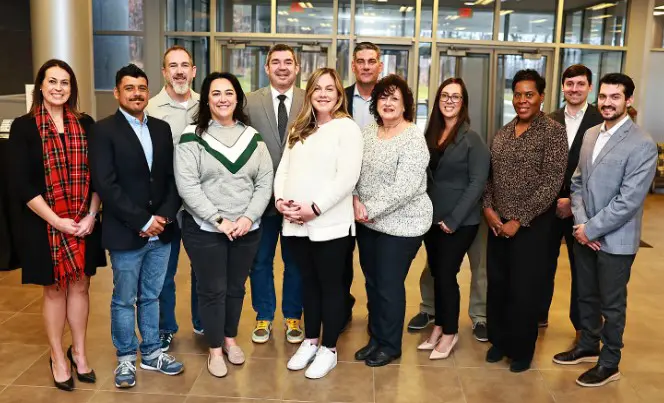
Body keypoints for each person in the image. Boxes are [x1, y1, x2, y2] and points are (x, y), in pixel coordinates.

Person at [553, 73, 657, 388]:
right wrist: (582, 225)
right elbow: (578, 181)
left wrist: (593, 229)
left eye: (615, 97)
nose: (608, 102)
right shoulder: (590, 134)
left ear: (628, 101)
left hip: (615, 241)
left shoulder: (642, 144)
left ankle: (609, 362)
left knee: (612, 304)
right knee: (586, 294)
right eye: (604, 96)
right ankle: (587, 344)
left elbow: (628, 201)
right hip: (586, 233)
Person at [8, 59, 105, 391]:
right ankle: (57, 357)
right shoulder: (24, 127)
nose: (59, 88)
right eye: (52, 81)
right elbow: (21, 185)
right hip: (44, 226)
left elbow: (99, 177)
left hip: (84, 222)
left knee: (80, 286)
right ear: (41, 86)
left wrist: (91, 215)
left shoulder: (87, 124)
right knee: (54, 290)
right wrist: (57, 221)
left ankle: (78, 353)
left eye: (65, 82)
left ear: (72, 88)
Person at [89, 64, 184, 389]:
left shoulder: (161, 128)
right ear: (117, 93)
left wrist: (165, 218)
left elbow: (171, 178)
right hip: (125, 232)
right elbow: (106, 183)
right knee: (123, 298)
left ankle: (153, 352)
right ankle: (126, 358)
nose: (137, 93)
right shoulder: (103, 130)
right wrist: (143, 221)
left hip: (163, 230)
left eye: (142, 87)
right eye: (129, 88)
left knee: (152, 296)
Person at [175, 72, 273, 378]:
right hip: (205, 229)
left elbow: (265, 182)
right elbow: (188, 185)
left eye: (228, 92)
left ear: (237, 98)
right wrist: (219, 220)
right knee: (212, 289)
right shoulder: (192, 137)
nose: (222, 99)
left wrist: (246, 218)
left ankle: (230, 338)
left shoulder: (252, 138)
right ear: (206, 99)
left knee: (235, 288)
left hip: (246, 229)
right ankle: (215, 349)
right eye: (215, 93)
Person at [276, 68, 363, 379]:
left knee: (331, 287)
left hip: (331, 225)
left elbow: (347, 177)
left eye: (330, 88)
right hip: (295, 225)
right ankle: (310, 340)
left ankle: (329, 348)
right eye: (317, 89)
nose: (323, 94)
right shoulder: (300, 127)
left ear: (339, 94)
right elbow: (283, 170)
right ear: (309, 94)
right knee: (307, 284)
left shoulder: (347, 129)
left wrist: (314, 207)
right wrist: (279, 201)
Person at [483, 69, 567, 373]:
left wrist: (519, 219)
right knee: (499, 285)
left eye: (529, 94)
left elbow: (551, 182)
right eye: (517, 94)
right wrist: (489, 210)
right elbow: (490, 176)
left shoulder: (553, 132)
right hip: (497, 225)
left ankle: (521, 349)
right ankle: (500, 341)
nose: (522, 100)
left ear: (541, 97)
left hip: (532, 227)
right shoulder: (503, 132)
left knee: (524, 289)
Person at [353, 74, 432, 367]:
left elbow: (406, 186)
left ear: (405, 105)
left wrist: (368, 207)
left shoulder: (412, 136)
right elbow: (353, 170)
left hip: (403, 224)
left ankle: (390, 344)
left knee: (388, 284)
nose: (388, 103)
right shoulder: (368, 131)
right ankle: (375, 337)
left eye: (395, 98)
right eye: (383, 97)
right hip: (368, 221)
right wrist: (355, 200)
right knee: (372, 283)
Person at [418, 78, 490, 359]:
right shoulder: (431, 133)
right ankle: (439, 327)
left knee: (447, 276)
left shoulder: (472, 138)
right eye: (445, 96)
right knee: (437, 274)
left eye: (456, 97)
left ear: (463, 103)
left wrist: (454, 219)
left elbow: (477, 183)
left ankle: (450, 333)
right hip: (431, 220)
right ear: (437, 100)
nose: (449, 101)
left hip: (459, 222)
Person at [245, 44, 306, 344]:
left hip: (298, 201)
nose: (282, 67)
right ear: (267, 68)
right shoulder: (248, 102)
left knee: (295, 261)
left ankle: (293, 316)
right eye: (276, 62)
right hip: (261, 198)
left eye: (288, 62)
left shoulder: (311, 100)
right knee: (260, 260)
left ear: (297, 68)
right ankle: (264, 316)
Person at [146, 45, 203, 351]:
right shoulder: (151, 108)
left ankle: (202, 321)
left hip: (199, 205)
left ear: (193, 71)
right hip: (166, 204)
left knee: (202, 268)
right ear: (164, 72)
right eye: (173, 66)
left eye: (185, 65)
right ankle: (166, 326)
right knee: (164, 272)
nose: (180, 71)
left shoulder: (205, 105)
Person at [542, 64, 603, 334]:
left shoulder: (601, 120)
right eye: (570, 83)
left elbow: (601, 170)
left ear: (590, 87)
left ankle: (582, 328)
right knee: (542, 263)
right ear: (563, 87)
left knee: (582, 270)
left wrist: (571, 200)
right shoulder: (549, 119)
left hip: (583, 209)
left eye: (580, 84)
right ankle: (538, 314)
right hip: (547, 206)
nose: (574, 89)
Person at [341, 42, 383, 328]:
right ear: (353, 66)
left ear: (380, 66)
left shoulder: (391, 98)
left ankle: (376, 318)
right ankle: (341, 312)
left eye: (371, 61)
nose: (366, 66)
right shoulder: (339, 99)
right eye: (361, 61)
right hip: (341, 195)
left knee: (375, 264)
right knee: (340, 262)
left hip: (377, 197)